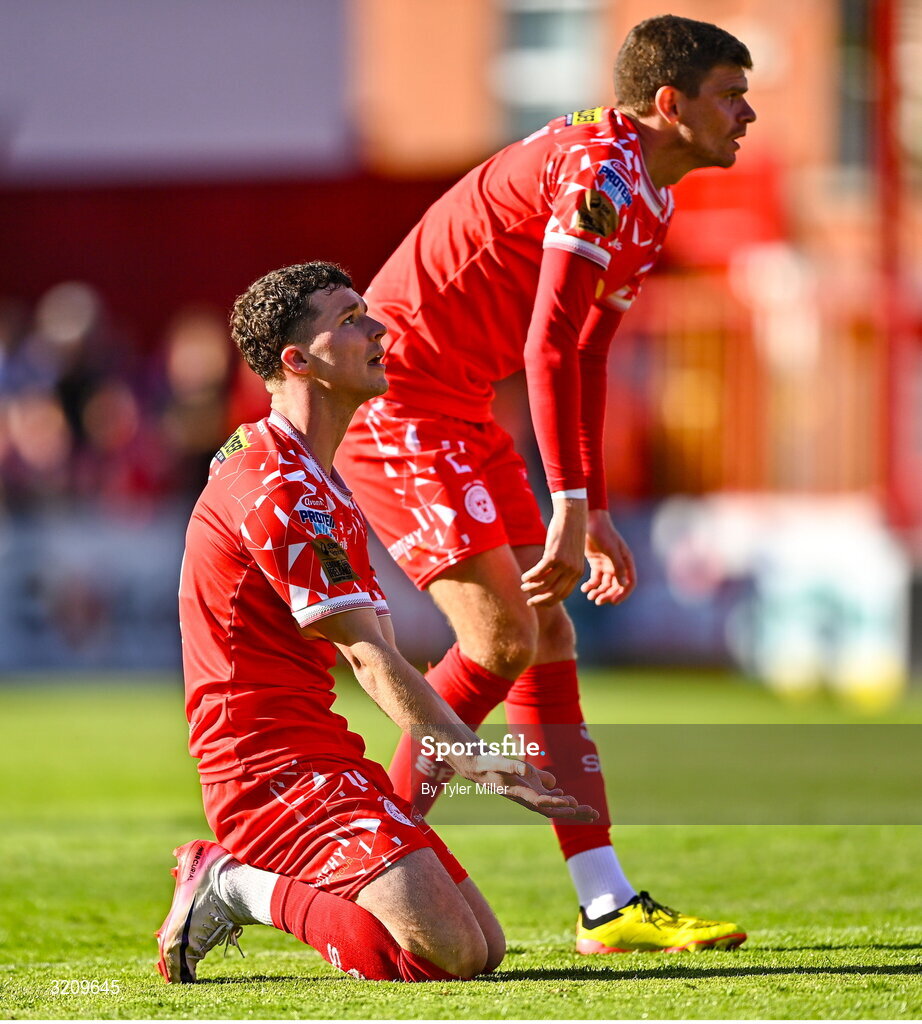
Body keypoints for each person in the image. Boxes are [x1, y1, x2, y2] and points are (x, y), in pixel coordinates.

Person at [336, 14, 755, 954]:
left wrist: (592, 504)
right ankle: (366, 855)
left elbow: (588, 353)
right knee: (501, 637)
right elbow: (547, 344)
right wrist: (569, 504)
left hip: (457, 408)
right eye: (731, 95)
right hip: (397, 400)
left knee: (544, 631)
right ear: (669, 103)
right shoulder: (601, 170)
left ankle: (604, 903)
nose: (748, 112)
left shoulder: (646, 194)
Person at [155, 261, 595, 985]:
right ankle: (232, 883)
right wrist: (485, 767)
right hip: (265, 771)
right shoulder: (283, 488)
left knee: (483, 946)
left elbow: (376, 651)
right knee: (445, 954)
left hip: (320, 750)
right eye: (351, 320)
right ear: (298, 360)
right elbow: (369, 659)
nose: (379, 329)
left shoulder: (308, 471)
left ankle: (255, 879)